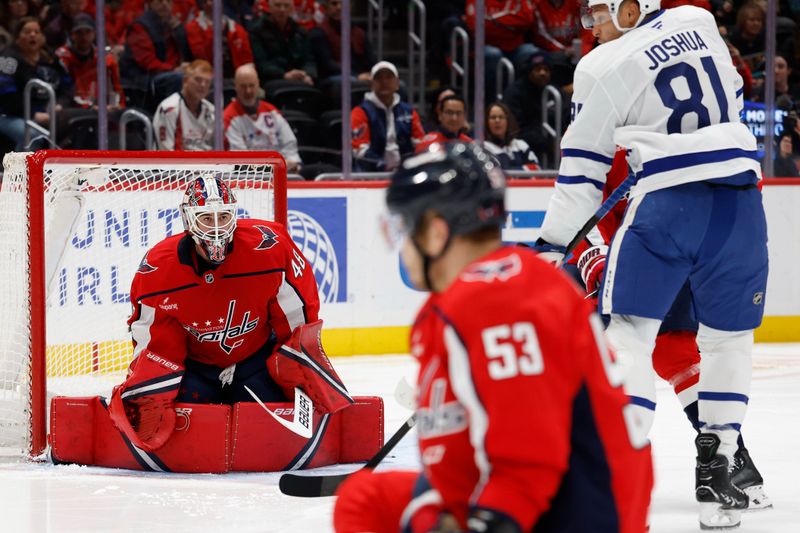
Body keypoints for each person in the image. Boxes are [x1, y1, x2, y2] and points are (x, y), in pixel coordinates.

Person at [333, 142, 653, 533]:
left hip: (570, 513)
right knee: (366, 500)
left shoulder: (498, 301)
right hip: (544, 492)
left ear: (435, 232)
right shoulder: (488, 289)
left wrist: (488, 521)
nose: (403, 246)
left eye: (405, 228)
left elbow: (529, 460)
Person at [537, 1, 768, 528]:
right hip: (738, 201)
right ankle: (722, 463)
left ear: (628, 8)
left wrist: (549, 249)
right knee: (718, 343)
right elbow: (730, 94)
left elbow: (579, 183)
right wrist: (594, 255)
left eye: (596, 13)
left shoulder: (600, 69)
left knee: (631, 339)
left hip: (665, 211)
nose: (589, 26)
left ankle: (621, 469)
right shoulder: (699, 21)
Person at [108, 175, 353, 452]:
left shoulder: (271, 249)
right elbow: (154, 347)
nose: (215, 228)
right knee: (171, 431)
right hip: (195, 369)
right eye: (205, 218)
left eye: (223, 216)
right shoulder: (157, 269)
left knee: (276, 422)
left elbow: (298, 322)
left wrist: (303, 378)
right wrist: (147, 395)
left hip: (255, 362)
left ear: (234, 215)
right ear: (189, 220)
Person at [0, 17, 71, 150]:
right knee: (33, 136)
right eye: (27, 32)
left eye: (37, 32)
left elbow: (67, 85)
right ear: (17, 37)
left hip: (47, 113)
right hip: (8, 115)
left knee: (74, 124)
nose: (32, 35)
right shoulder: (8, 59)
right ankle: (19, 170)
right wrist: (32, 114)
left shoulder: (51, 59)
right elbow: (6, 95)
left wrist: (60, 103)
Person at [224, 63, 301, 173]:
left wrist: (292, 163)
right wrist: (273, 167)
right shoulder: (229, 117)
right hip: (250, 179)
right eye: (243, 86)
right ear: (235, 86)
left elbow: (289, 143)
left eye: (251, 85)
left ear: (258, 85)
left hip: (282, 172)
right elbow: (240, 159)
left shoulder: (272, 111)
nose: (248, 91)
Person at [350, 61, 425, 171]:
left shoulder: (409, 111)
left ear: (397, 83)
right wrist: (385, 167)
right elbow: (360, 151)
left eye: (389, 77)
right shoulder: (360, 112)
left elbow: (420, 143)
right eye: (379, 78)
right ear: (372, 84)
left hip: (404, 172)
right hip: (370, 175)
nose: (384, 81)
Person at [502, 50, 567, 166]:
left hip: (557, 148)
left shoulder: (555, 92)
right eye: (538, 69)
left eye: (546, 70)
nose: (542, 73)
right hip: (526, 148)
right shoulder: (515, 93)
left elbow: (568, 117)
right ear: (529, 71)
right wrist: (548, 144)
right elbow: (516, 129)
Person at [119, 0, 188, 108]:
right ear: (150, 3)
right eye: (160, 1)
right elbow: (147, 62)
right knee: (178, 78)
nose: (164, 4)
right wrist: (173, 68)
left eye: (168, 1)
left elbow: (185, 53)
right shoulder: (140, 26)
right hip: (144, 79)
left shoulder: (173, 24)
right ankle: (173, 119)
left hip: (168, 72)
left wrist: (179, 31)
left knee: (200, 76)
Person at [250, 0, 316, 85]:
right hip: (272, 79)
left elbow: (309, 60)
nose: (282, 9)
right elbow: (261, 64)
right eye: (278, 5)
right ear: (269, 8)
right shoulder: (257, 31)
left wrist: (307, 74)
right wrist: (284, 75)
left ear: (292, 9)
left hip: (301, 77)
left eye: (286, 6)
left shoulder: (300, 31)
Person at [153, 59, 214, 150]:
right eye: (198, 80)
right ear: (185, 81)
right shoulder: (169, 108)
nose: (203, 85)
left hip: (206, 163)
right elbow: (166, 152)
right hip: (175, 163)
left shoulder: (211, 110)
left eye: (207, 82)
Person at [184, 0, 253, 79]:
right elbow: (202, 56)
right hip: (207, 78)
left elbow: (247, 60)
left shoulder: (236, 29)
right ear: (204, 3)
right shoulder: (193, 28)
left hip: (236, 78)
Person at [309, 0, 374, 82]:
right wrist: (357, 76)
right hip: (332, 78)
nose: (339, 7)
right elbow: (327, 65)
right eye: (334, 4)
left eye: (343, 4)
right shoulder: (318, 32)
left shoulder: (359, 33)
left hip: (360, 77)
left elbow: (371, 61)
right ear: (325, 8)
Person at [483, 101, 540, 171]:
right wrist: (525, 169)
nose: (497, 120)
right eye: (493, 117)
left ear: (508, 121)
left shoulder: (520, 145)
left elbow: (537, 169)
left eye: (501, 117)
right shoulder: (483, 148)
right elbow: (498, 173)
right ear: (486, 122)